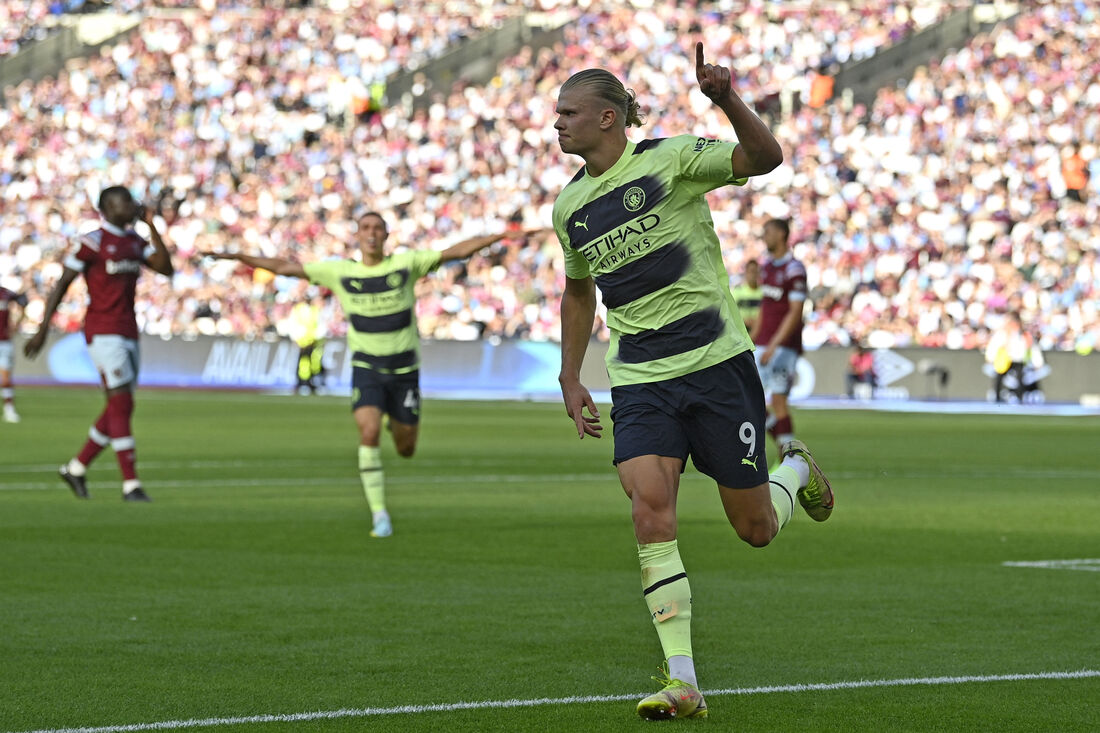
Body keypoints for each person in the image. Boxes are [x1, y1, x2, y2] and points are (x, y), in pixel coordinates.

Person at [552, 45, 835, 722]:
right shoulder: (571, 208)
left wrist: (727, 101)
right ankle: (683, 679)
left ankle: (794, 471)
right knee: (649, 507)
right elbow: (577, 292)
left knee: (755, 529)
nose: (556, 123)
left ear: (609, 117)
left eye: (569, 113)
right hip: (641, 379)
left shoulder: (670, 159)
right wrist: (571, 374)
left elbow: (765, 159)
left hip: (715, 366)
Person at [203, 211, 523, 538]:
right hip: (367, 368)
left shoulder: (405, 265)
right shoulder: (339, 272)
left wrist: (498, 237)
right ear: (357, 235)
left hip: (404, 372)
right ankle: (379, 514)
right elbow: (285, 267)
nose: (371, 234)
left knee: (406, 447)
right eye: (365, 228)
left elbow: (456, 252)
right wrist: (238, 256)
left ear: (386, 235)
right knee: (367, 432)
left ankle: (391, 419)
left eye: (378, 229)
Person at [23, 186, 175, 501]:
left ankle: (76, 469)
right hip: (102, 331)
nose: (132, 206)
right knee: (121, 403)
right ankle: (130, 485)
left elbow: (165, 268)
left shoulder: (134, 241)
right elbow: (63, 283)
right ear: (106, 208)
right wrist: (42, 328)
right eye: (125, 202)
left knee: (122, 404)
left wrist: (151, 225)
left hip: (129, 330)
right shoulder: (92, 243)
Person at [751, 218, 808, 457]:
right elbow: (765, 307)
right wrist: (754, 338)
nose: (765, 236)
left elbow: (796, 312)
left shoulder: (794, 269)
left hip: (783, 347)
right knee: (750, 399)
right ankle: (787, 453)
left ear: (782, 235)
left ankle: (790, 459)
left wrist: (774, 345)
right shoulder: (767, 267)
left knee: (778, 401)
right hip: (764, 343)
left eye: (769, 232)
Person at [984, 312, 1033, 403]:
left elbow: (1025, 346)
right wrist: (990, 357)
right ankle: (997, 398)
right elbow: (995, 345)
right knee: (999, 378)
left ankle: (1020, 397)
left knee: (1019, 379)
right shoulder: (1002, 333)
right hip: (1005, 359)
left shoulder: (1021, 333)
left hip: (1017, 358)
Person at [0, 284, 28, 423]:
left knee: (5, 378)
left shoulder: (6, 293)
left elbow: (23, 300)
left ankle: (9, 409)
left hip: (4, 341)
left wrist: (17, 325)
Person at [731, 259, 763, 333]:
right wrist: (744, 321)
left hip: (758, 332)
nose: (753, 274)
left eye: (755, 272)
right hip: (741, 332)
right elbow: (730, 312)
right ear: (746, 273)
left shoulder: (763, 293)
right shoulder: (737, 291)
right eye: (751, 271)